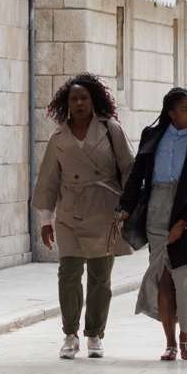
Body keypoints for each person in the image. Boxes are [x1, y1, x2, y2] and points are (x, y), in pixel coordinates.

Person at [31, 73, 135, 359]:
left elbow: (129, 167)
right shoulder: (58, 136)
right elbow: (48, 180)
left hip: (106, 210)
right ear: (66, 103)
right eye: (73, 99)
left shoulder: (111, 128)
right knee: (68, 273)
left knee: (101, 278)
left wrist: (127, 205)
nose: (78, 103)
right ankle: (70, 334)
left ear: (94, 101)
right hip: (69, 213)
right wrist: (45, 221)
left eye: (84, 98)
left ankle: (95, 335)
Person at [117, 87, 187, 361]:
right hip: (156, 207)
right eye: (185, 109)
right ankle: (170, 342)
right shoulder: (152, 135)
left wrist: (183, 222)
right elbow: (137, 174)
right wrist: (125, 206)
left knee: (183, 276)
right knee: (162, 275)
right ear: (171, 113)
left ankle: (186, 335)